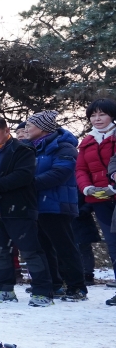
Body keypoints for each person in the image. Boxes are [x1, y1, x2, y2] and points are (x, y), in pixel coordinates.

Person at [0, 115, 54, 306]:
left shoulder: (22, 149)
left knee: (31, 251)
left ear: (6, 131)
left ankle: (42, 291)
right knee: (0, 252)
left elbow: (23, 175)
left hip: (18, 209)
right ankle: (3, 289)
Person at [24, 110, 87, 301]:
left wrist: (26, 185)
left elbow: (61, 172)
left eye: (29, 125)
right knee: (43, 247)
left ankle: (77, 287)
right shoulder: (28, 148)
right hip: (35, 205)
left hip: (57, 205)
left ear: (43, 128)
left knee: (65, 247)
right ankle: (54, 283)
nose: (25, 129)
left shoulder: (64, 146)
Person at [76, 98, 116, 284]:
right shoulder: (88, 140)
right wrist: (86, 188)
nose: (97, 119)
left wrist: (112, 187)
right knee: (112, 243)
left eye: (102, 114)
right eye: (93, 115)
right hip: (98, 198)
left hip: (113, 192)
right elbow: (81, 169)